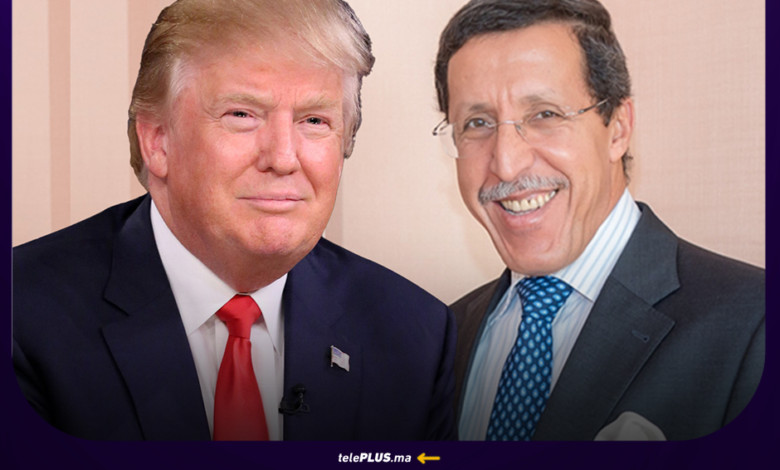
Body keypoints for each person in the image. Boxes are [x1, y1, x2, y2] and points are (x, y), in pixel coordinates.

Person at [13, 0, 456, 441]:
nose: (283, 158)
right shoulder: (22, 318)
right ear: (157, 141)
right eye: (242, 115)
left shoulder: (414, 336)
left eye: (314, 120)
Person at [433, 0, 764, 441]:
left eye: (545, 114)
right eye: (477, 122)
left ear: (618, 128)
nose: (507, 164)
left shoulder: (755, 324)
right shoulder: (441, 334)